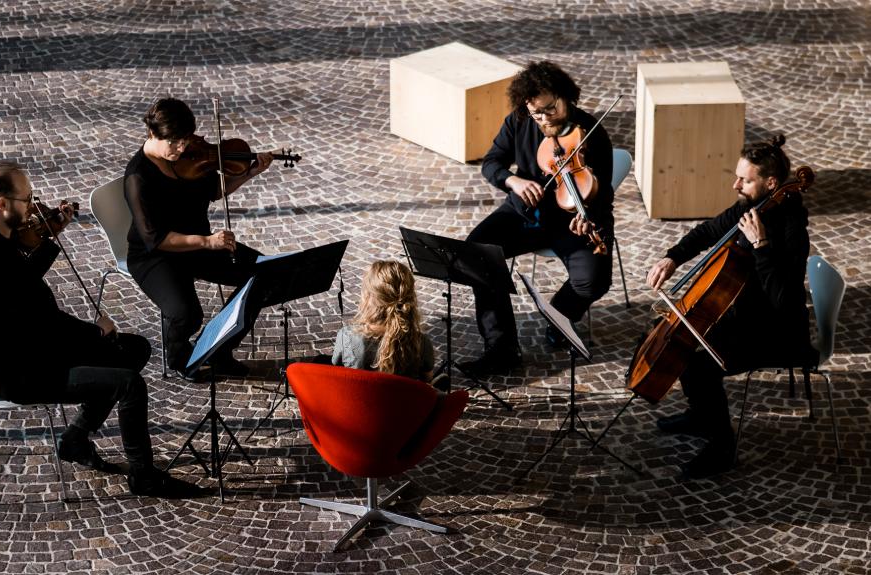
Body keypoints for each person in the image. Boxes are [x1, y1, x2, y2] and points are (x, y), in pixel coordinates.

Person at [0, 161, 203, 498]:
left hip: (38, 349)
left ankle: (75, 439)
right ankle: (143, 476)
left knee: (135, 349)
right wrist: (96, 331)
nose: (35, 207)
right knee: (129, 383)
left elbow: (25, 280)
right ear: (3, 203)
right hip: (24, 370)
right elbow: (46, 322)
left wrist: (50, 238)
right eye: (28, 199)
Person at [646, 135, 811, 479]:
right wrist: (672, 258)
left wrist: (761, 245)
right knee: (687, 342)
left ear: (771, 183)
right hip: (744, 316)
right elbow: (710, 230)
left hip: (777, 330)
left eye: (745, 179)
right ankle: (700, 414)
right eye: (737, 175)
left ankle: (722, 447)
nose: (735, 184)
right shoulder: (752, 206)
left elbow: (785, 299)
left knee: (700, 361)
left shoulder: (791, 227)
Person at [462, 61, 614, 375]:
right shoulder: (518, 121)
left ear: (566, 98)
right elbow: (492, 163)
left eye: (550, 110)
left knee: (594, 280)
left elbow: (604, 194)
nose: (544, 119)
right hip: (524, 214)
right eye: (536, 113)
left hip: (570, 220)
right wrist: (512, 180)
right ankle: (501, 347)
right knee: (478, 250)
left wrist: (590, 218)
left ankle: (558, 315)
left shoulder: (593, 135)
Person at [124, 97, 274, 378]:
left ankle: (218, 349)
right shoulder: (138, 176)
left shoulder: (188, 156)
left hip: (198, 245)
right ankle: (181, 359)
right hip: (155, 256)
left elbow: (214, 190)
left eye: (185, 140)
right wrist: (207, 242)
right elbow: (156, 239)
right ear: (153, 134)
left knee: (261, 274)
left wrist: (250, 173)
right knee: (186, 313)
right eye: (174, 143)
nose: (181, 148)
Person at [332, 260, 439, 385]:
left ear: (368, 297)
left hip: (357, 402)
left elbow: (335, 369)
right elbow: (427, 379)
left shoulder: (347, 336)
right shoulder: (421, 342)